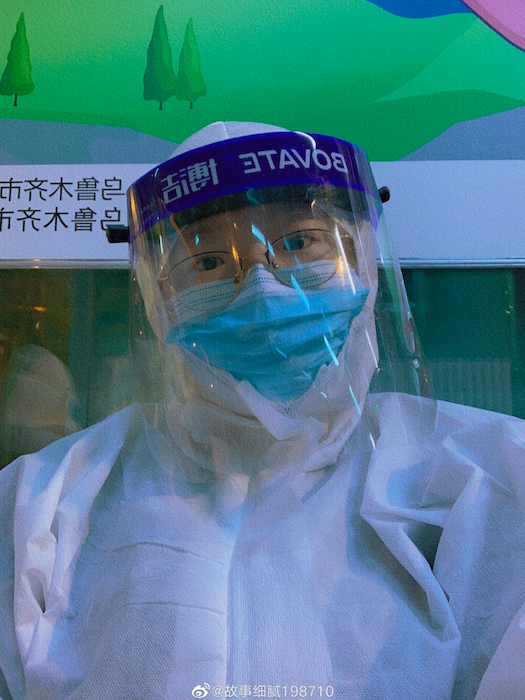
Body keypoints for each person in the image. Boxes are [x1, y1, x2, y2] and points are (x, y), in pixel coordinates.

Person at [0, 121, 524, 700]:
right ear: (157, 296)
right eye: (207, 264)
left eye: (298, 243)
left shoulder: (487, 476)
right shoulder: (42, 503)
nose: (262, 291)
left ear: (361, 257)